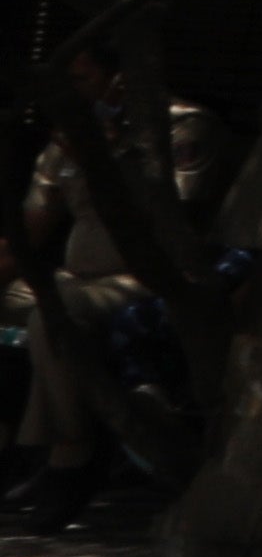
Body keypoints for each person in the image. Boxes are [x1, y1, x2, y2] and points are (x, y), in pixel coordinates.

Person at [10, 47, 226, 531]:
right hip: (76, 276)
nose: (71, 92)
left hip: (145, 281)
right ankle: (25, 453)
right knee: (23, 305)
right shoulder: (69, 135)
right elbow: (32, 227)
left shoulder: (184, 127)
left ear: (120, 80)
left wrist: (111, 154)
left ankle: (72, 457)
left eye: (82, 79)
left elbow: (177, 218)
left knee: (54, 317)